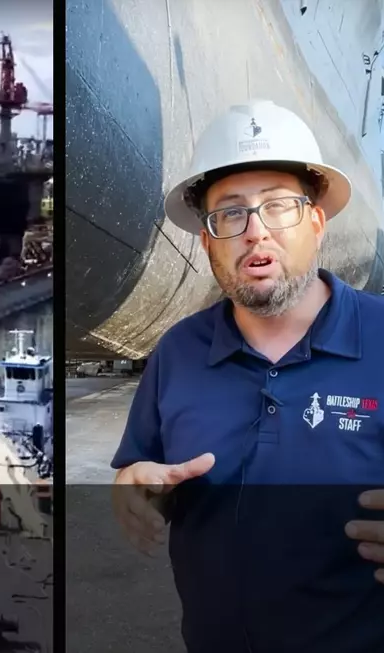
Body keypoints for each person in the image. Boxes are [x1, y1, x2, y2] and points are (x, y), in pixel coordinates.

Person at [110, 100, 384, 653]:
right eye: (230, 213)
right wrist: (132, 490)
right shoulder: (178, 352)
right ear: (209, 239)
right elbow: (146, 472)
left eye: (279, 206)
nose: (256, 231)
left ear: (316, 220)